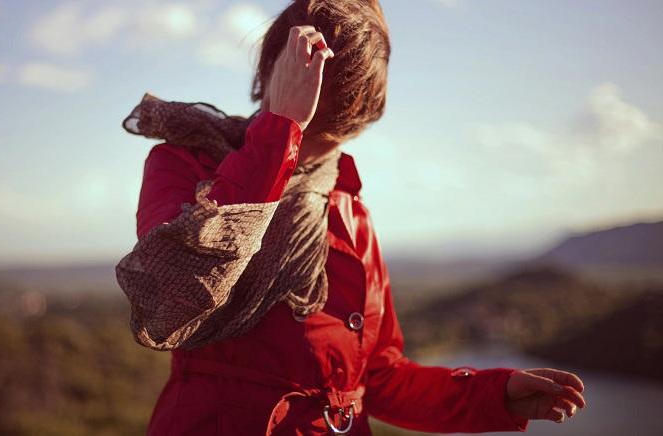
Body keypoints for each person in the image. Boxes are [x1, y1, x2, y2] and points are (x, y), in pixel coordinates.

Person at [116, 1, 587, 434]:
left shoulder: (348, 207)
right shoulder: (185, 164)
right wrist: (281, 129)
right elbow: (169, 296)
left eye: (335, 138)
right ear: (275, 79)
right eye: (312, 132)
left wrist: (494, 393)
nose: (314, 160)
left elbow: (377, 377)